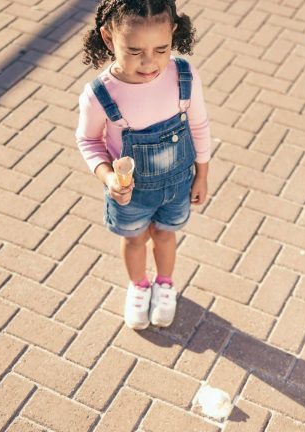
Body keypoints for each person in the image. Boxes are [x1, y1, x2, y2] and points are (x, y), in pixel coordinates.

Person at [76, 0, 211, 330]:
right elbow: (89, 141)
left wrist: (203, 174)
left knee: (165, 235)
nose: (150, 62)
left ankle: (165, 284)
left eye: (161, 49)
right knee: (135, 239)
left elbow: (199, 126)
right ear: (109, 39)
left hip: (177, 185)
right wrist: (108, 178)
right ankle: (139, 286)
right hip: (130, 196)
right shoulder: (100, 94)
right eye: (135, 50)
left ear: (173, 34)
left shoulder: (183, 75)